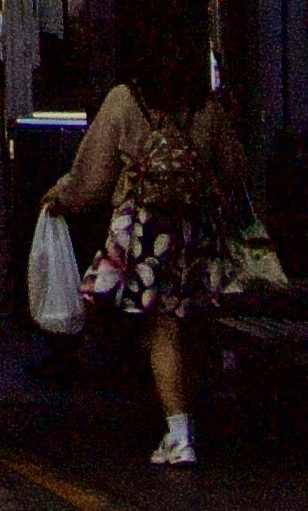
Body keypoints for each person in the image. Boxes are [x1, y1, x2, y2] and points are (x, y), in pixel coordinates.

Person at [55, 43, 250, 468]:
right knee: (188, 323)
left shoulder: (124, 100)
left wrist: (63, 197)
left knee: (161, 328)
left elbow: (92, 175)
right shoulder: (206, 108)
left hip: (144, 232)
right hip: (195, 229)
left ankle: (179, 435)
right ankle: (188, 420)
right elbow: (234, 169)